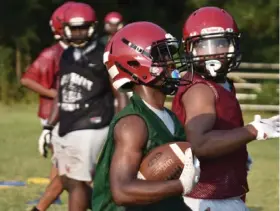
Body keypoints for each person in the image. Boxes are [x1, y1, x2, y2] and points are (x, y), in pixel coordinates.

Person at [172, 6, 280, 211]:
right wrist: (252, 131)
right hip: (205, 197)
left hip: (218, 193)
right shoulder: (200, 89)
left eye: (220, 43)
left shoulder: (223, 83)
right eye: (204, 46)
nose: (212, 52)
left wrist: (236, 151)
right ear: (190, 49)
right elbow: (199, 144)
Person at [92, 21, 200, 211]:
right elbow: (122, 191)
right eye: (162, 55)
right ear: (136, 63)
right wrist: (181, 185)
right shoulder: (133, 123)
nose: (172, 63)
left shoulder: (169, 118)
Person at [41, 2, 128, 211]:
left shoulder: (104, 54)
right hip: (68, 124)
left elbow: (120, 93)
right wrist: (48, 126)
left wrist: (122, 127)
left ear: (92, 27)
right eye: (74, 28)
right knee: (68, 179)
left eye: (83, 28)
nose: (78, 33)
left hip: (93, 124)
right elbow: (61, 94)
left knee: (77, 181)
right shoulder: (67, 54)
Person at [20, 2, 74, 211]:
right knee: (66, 162)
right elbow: (27, 79)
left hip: (70, 113)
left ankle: (49, 200)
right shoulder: (53, 53)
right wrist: (54, 94)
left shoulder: (78, 52)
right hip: (54, 113)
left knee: (61, 160)